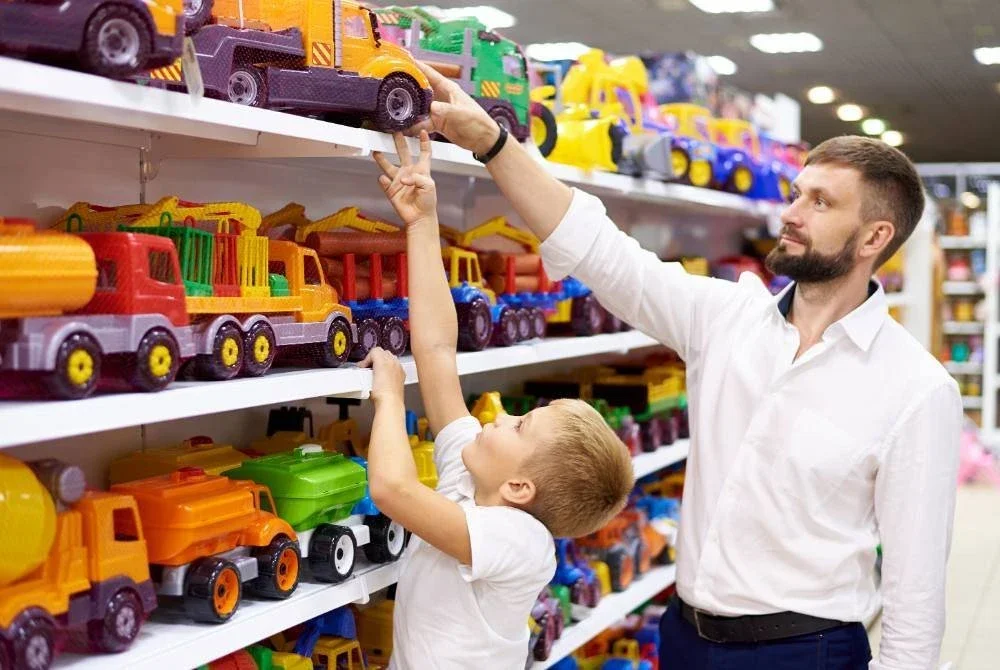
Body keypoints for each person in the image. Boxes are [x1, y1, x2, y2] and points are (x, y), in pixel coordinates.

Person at [409, 62, 962, 670]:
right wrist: (490, 141)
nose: (791, 214)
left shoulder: (915, 388)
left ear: (874, 237)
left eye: (821, 202)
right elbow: (600, 250)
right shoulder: (727, 318)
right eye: (797, 193)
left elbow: (915, 603)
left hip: (807, 652)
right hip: (684, 638)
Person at [359, 131, 635, 669]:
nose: (499, 414)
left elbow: (392, 488)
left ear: (519, 485)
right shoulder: (474, 481)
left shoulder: (522, 542)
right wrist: (421, 223)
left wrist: (389, 397)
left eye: (519, 425)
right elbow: (438, 350)